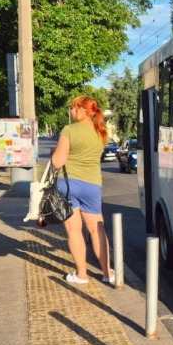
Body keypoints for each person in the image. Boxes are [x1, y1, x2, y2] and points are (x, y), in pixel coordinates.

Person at [50, 96, 114, 285]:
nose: (71, 111)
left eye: (73, 108)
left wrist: (54, 152)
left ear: (80, 110)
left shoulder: (69, 130)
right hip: (93, 185)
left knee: (74, 230)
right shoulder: (101, 132)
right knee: (97, 230)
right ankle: (107, 274)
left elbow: (57, 162)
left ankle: (82, 275)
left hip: (68, 184)